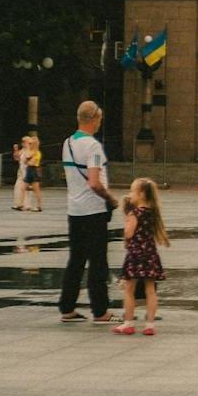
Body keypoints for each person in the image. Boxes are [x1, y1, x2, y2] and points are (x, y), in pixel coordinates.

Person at [59, 101, 118, 324]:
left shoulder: (67, 143)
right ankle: (100, 310)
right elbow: (94, 182)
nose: (100, 123)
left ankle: (67, 308)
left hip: (74, 210)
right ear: (93, 118)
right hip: (93, 211)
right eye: (99, 119)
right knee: (97, 262)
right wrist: (110, 198)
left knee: (76, 260)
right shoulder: (93, 146)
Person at [114, 177, 168, 335]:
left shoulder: (134, 213)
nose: (130, 194)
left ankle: (128, 323)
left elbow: (128, 233)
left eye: (132, 191)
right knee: (150, 290)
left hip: (135, 255)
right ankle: (149, 325)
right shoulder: (152, 213)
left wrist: (127, 219)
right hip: (150, 254)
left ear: (142, 194)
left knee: (129, 289)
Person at [22, 133, 44, 211]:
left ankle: (39, 206)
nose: (29, 144)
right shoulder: (31, 151)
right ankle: (24, 205)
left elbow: (32, 162)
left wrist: (27, 161)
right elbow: (25, 160)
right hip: (29, 169)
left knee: (36, 189)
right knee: (23, 187)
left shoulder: (37, 153)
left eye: (31, 143)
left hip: (33, 170)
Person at [12, 136, 29, 211]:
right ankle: (18, 204)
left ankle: (25, 205)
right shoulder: (22, 150)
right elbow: (16, 158)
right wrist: (15, 150)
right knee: (18, 187)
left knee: (25, 188)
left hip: (27, 171)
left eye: (25, 142)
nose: (23, 144)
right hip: (21, 171)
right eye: (23, 142)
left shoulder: (30, 151)